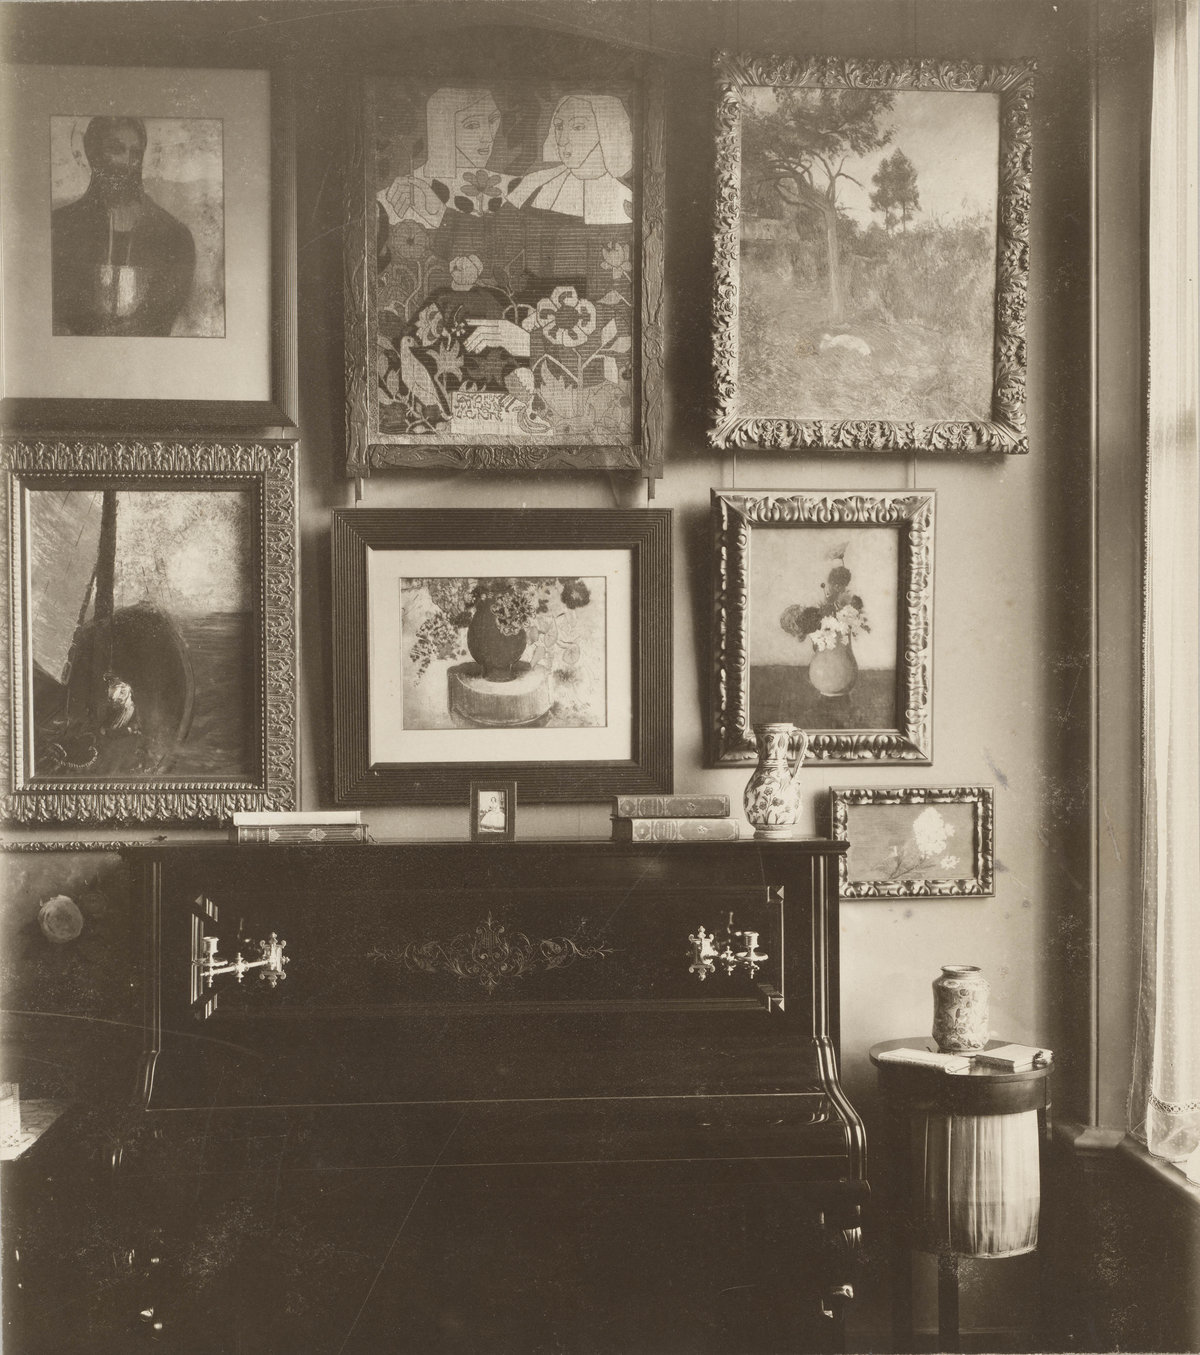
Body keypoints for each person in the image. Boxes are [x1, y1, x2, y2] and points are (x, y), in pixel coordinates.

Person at [51, 116, 196, 337]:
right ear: (93, 154)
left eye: (135, 153)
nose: (127, 162)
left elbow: (161, 321)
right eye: (115, 149)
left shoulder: (174, 236)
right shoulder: (61, 228)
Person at [378, 87, 519, 231]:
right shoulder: (404, 192)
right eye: (471, 126)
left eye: (493, 120)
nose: (488, 138)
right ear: (443, 128)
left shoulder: (515, 188)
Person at [507, 94, 633, 226]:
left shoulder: (625, 199)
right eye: (559, 127)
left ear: (606, 132)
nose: (562, 141)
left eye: (578, 127)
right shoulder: (533, 183)